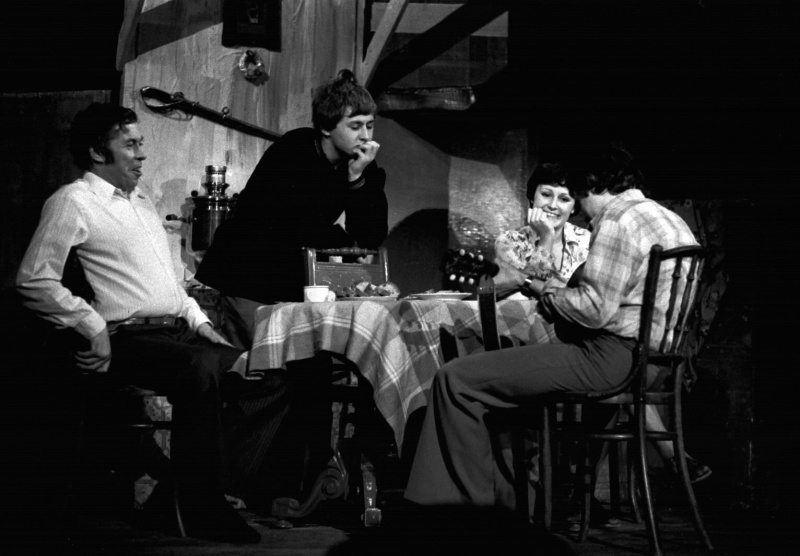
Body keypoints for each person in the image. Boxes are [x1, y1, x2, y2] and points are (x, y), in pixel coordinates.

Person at [16, 102, 293, 544]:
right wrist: (90, 325)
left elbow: (171, 284)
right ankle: (202, 507)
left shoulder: (142, 202)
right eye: (130, 144)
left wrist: (200, 322)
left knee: (269, 375)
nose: (142, 153)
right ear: (97, 152)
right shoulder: (73, 201)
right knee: (201, 368)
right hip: (127, 337)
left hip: (176, 332)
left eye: (141, 142)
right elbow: (34, 279)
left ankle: (181, 495)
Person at [404, 144, 701, 516]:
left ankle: (471, 516)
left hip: (611, 358)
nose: (581, 210)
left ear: (591, 185)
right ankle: (514, 499)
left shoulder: (617, 219)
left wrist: (549, 295)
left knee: (455, 379)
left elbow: (594, 310)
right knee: (499, 386)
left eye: (575, 194)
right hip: (655, 364)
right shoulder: (670, 220)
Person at [495, 163, 711, 494]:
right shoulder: (512, 241)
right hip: (556, 335)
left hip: (591, 340)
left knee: (610, 371)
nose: (553, 205)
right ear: (531, 197)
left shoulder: (595, 235)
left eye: (565, 198)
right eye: (546, 195)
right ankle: (588, 483)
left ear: (576, 204)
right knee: (615, 373)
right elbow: (527, 284)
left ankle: (575, 486)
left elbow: (589, 302)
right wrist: (547, 240)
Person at [195, 68, 389, 350]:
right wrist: (345, 242)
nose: (365, 136)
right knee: (254, 364)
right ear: (326, 128)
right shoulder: (293, 150)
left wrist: (357, 178)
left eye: (370, 125)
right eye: (355, 126)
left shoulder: (362, 163)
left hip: (291, 280)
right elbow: (294, 224)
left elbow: (372, 237)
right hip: (247, 273)